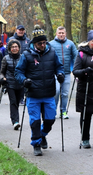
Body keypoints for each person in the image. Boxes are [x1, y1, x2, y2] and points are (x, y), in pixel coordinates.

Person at [15, 25, 65, 156]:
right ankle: (36, 143)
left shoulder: (52, 52)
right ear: (34, 43)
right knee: (35, 120)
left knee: (50, 119)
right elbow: (18, 71)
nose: (43, 45)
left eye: (44, 42)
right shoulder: (26, 55)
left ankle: (42, 135)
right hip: (33, 93)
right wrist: (24, 80)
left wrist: (60, 74)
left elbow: (59, 67)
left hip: (49, 93)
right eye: (40, 43)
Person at [50, 26, 77, 119]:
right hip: (55, 73)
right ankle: (53, 111)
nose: (61, 35)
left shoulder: (70, 44)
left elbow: (76, 56)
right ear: (56, 34)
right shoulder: (51, 44)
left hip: (67, 72)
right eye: (59, 33)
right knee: (56, 91)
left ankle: (63, 111)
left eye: (63, 33)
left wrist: (75, 69)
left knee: (65, 93)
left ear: (65, 33)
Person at [0, 39, 23, 130]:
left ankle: (13, 117)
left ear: (19, 48)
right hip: (10, 83)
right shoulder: (6, 58)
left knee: (17, 102)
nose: (14, 48)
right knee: (13, 101)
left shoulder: (23, 58)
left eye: (16, 47)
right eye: (12, 47)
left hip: (20, 83)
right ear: (9, 48)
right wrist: (2, 78)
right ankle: (15, 121)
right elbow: (2, 72)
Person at [9, 25, 30, 106]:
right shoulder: (11, 40)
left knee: (24, 80)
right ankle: (17, 97)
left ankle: (23, 97)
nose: (21, 31)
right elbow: (8, 52)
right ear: (16, 30)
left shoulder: (27, 41)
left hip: (25, 64)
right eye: (19, 30)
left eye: (22, 30)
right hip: (14, 63)